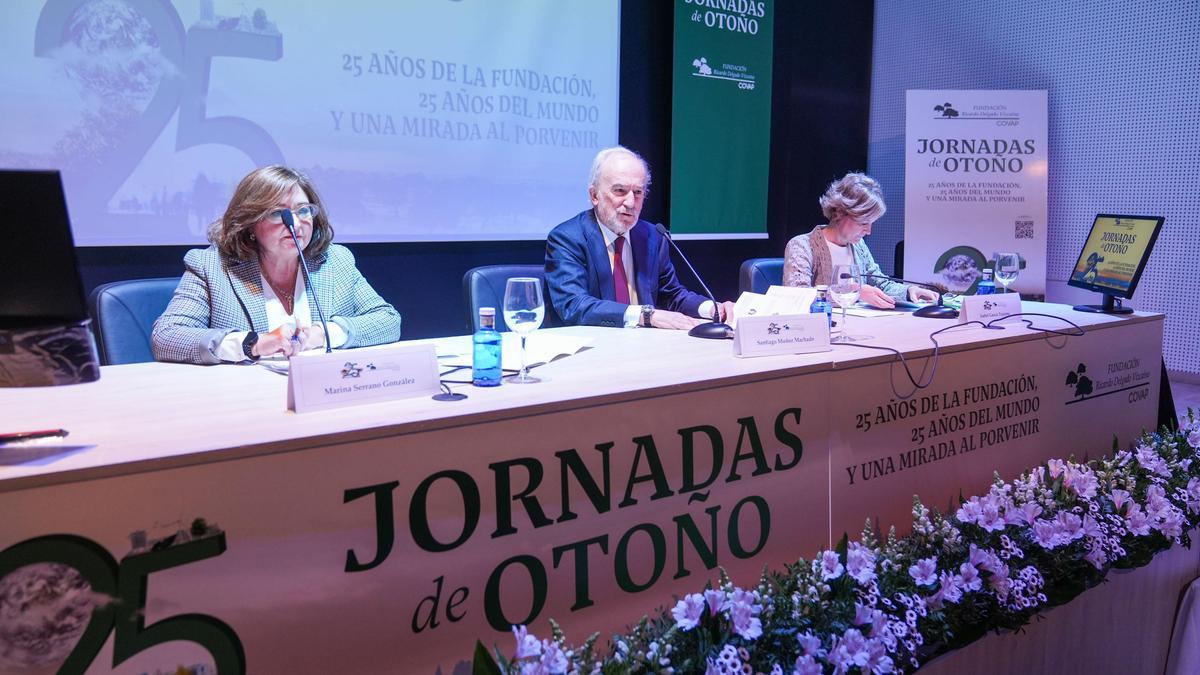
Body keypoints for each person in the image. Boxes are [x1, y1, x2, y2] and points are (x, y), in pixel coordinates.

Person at [152, 166, 401, 364]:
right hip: (243, 403)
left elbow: (388, 321)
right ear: (249, 225)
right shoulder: (212, 266)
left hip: (325, 394)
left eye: (303, 211)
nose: (295, 222)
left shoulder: (336, 261)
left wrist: (321, 334)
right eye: (277, 213)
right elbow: (167, 336)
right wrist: (255, 344)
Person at [545, 146, 735, 329]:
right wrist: (646, 315)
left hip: (643, 347)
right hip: (590, 349)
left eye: (638, 192)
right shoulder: (567, 238)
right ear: (594, 195)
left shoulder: (653, 236)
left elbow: (671, 295)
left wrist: (713, 309)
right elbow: (574, 305)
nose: (630, 202)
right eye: (619, 191)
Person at [783, 172, 939, 308]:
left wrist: (909, 291)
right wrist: (854, 291)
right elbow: (797, 296)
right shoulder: (802, 245)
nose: (869, 231)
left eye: (871, 223)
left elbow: (880, 284)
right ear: (840, 212)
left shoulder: (858, 246)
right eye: (864, 222)